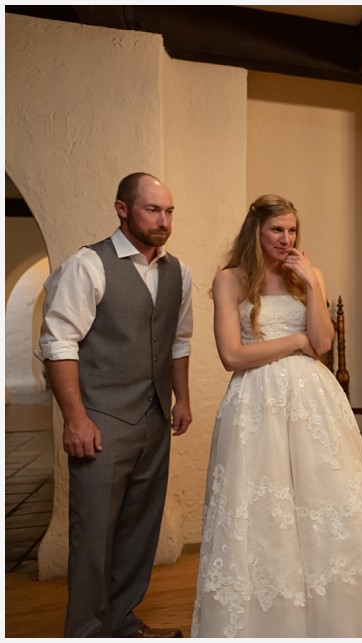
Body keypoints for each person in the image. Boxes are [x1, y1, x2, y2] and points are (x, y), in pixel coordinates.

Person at [191, 194, 362, 638]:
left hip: (313, 403)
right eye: (277, 230)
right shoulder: (230, 279)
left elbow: (320, 342)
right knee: (262, 507)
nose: (286, 238)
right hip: (256, 405)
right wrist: (294, 343)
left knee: (324, 500)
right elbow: (232, 355)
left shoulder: (307, 274)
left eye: (292, 230)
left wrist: (312, 285)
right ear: (256, 231)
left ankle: (343, 618)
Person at [39, 172, 193, 637]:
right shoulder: (88, 265)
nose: (163, 220)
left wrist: (182, 397)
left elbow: (178, 340)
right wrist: (76, 419)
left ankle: (122, 620)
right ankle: (86, 632)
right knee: (93, 536)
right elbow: (58, 343)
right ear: (122, 210)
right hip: (101, 420)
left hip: (153, 419)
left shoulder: (177, 272)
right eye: (152, 210)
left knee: (139, 529)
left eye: (169, 211)